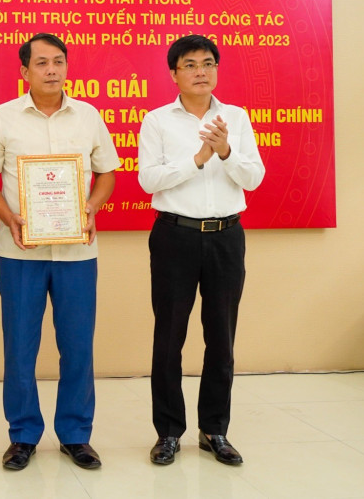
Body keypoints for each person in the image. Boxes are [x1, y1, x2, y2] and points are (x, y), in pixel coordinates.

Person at [0, 33, 117, 471]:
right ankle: (23, 435)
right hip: (20, 254)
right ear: (24, 71)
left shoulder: (88, 116)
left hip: (77, 255)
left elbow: (107, 173)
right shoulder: (3, 118)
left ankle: (76, 434)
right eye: (41, 63)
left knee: (78, 347)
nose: (51, 70)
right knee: (20, 348)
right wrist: (9, 217)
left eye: (58, 61)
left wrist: (90, 208)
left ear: (67, 67)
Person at [137, 34, 265, 467]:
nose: (201, 72)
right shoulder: (157, 121)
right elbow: (148, 180)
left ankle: (215, 430)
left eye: (208, 63)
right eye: (190, 65)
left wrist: (225, 151)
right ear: (174, 73)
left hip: (226, 236)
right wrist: (198, 157)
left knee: (222, 338)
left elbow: (253, 178)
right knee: (169, 337)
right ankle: (169, 432)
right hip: (175, 235)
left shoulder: (236, 118)